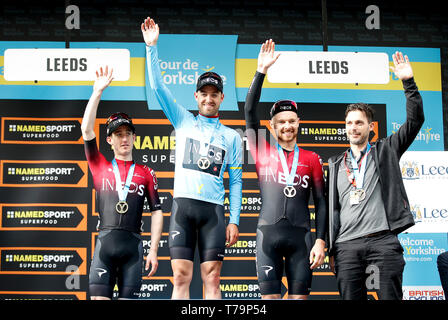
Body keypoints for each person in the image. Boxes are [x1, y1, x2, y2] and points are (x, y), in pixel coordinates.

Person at [141, 17, 243, 299]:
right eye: (204, 93)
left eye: (214, 94)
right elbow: (158, 87)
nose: (209, 98)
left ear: (222, 97)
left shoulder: (232, 136)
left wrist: (234, 219)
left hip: (213, 213)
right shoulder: (182, 120)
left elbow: (235, 182)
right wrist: (152, 48)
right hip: (183, 208)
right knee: (180, 278)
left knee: (212, 278)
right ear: (196, 96)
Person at [327, 52, 424, 300]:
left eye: (359, 123)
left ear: (370, 127)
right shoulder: (336, 163)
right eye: (349, 123)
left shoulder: (386, 149)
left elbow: (415, 121)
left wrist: (408, 82)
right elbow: (330, 209)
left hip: (382, 242)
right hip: (346, 246)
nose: (353, 128)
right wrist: (330, 246)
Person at [244, 39, 327, 299]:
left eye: (291, 120)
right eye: (281, 122)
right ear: (272, 126)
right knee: (269, 300)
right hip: (267, 235)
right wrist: (261, 71)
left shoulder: (312, 158)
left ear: (299, 123)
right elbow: (248, 109)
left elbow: (321, 203)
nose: (287, 126)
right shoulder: (261, 150)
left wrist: (321, 240)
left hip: (302, 237)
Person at [81, 66, 164, 300]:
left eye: (128, 133)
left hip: (133, 248)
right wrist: (97, 92)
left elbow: (157, 212)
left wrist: (154, 249)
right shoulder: (100, 166)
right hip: (105, 246)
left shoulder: (146, 172)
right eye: (119, 134)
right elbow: (86, 130)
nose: (124, 138)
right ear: (109, 139)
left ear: (135, 138)